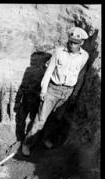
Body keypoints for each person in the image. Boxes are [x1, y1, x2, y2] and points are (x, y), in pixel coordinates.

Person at [21, 27, 89, 156]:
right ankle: (27, 143)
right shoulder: (59, 52)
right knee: (40, 119)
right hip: (53, 89)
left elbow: (80, 76)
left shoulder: (84, 56)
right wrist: (43, 90)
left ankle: (46, 138)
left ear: (81, 43)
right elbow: (49, 71)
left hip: (67, 92)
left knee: (56, 118)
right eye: (70, 42)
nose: (72, 45)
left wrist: (74, 94)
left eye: (75, 43)